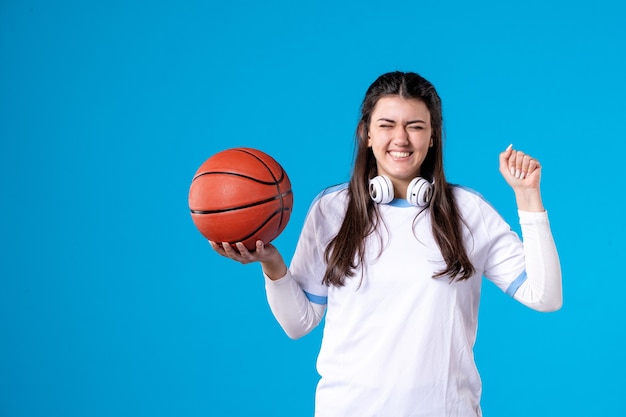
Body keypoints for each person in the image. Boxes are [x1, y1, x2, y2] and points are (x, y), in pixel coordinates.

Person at [210, 71, 562, 417]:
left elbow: (545, 297)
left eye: (416, 126)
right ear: (366, 134)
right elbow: (298, 323)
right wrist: (272, 264)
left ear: (433, 137)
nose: (401, 139)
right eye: (386, 124)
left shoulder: (468, 212)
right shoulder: (332, 210)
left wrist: (528, 196)